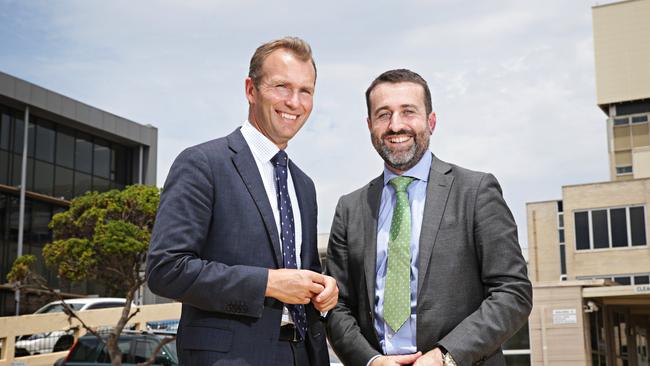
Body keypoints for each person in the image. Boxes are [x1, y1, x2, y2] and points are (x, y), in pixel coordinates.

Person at [146, 37, 337, 366]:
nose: (294, 102)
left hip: (304, 355)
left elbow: (302, 273)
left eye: (305, 91)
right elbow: (167, 269)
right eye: (281, 87)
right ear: (251, 90)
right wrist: (268, 283)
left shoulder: (304, 186)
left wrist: (324, 287)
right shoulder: (203, 164)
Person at [325, 69, 532, 366]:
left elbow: (513, 292)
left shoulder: (475, 192)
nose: (396, 125)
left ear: (431, 121)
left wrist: (445, 357)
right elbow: (337, 305)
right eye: (383, 115)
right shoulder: (350, 208)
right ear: (370, 125)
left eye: (408, 112)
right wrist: (370, 361)